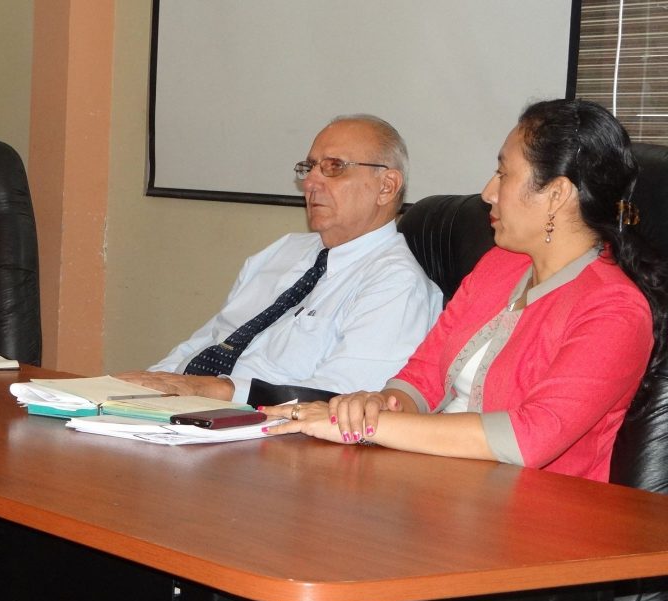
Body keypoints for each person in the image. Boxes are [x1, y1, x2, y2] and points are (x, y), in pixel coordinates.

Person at [268, 99, 666, 483]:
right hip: (434, 488)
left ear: (557, 194)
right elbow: (422, 375)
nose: (488, 192)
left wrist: (370, 427)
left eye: (504, 174)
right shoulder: (499, 264)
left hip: (535, 523)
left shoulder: (615, 309)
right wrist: (375, 405)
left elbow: (528, 439)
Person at [117, 115, 442, 405]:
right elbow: (211, 338)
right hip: (183, 416)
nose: (311, 182)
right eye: (309, 167)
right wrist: (137, 390)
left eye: (334, 167)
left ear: (386, 187)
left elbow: (345, 397)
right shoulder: (284, 251)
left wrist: (214, 391)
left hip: (265, 438)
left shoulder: (397, 285)